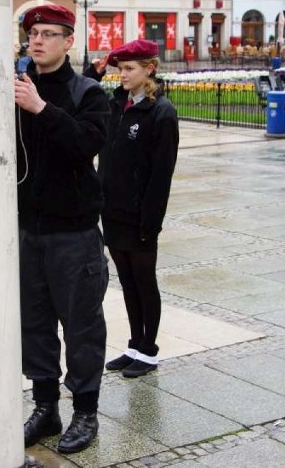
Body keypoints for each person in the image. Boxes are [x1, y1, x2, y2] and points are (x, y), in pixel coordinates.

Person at [0, 4, 110, 454]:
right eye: (32, 33)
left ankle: (85, 411)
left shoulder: (87, 92)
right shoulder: (13, 87)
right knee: (33, 324)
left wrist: (41, 107)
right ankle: (46, 407)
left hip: (74, 233)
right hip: (25, 231)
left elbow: (86, 143)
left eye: (49, 34)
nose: (37, 40)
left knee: (82, 326)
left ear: (69, 42)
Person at [96, 40, 179, 378]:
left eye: (129, 69)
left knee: (145, 281)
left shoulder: (161, 112)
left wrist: (151, 221)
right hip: (113, 211)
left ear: (150, 69)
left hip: (140, 217)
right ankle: (134, 343)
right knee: (127, 281)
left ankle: (149, 349)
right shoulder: (117, 105)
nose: (122, 76)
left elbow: (162, 175)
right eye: (120, 69)